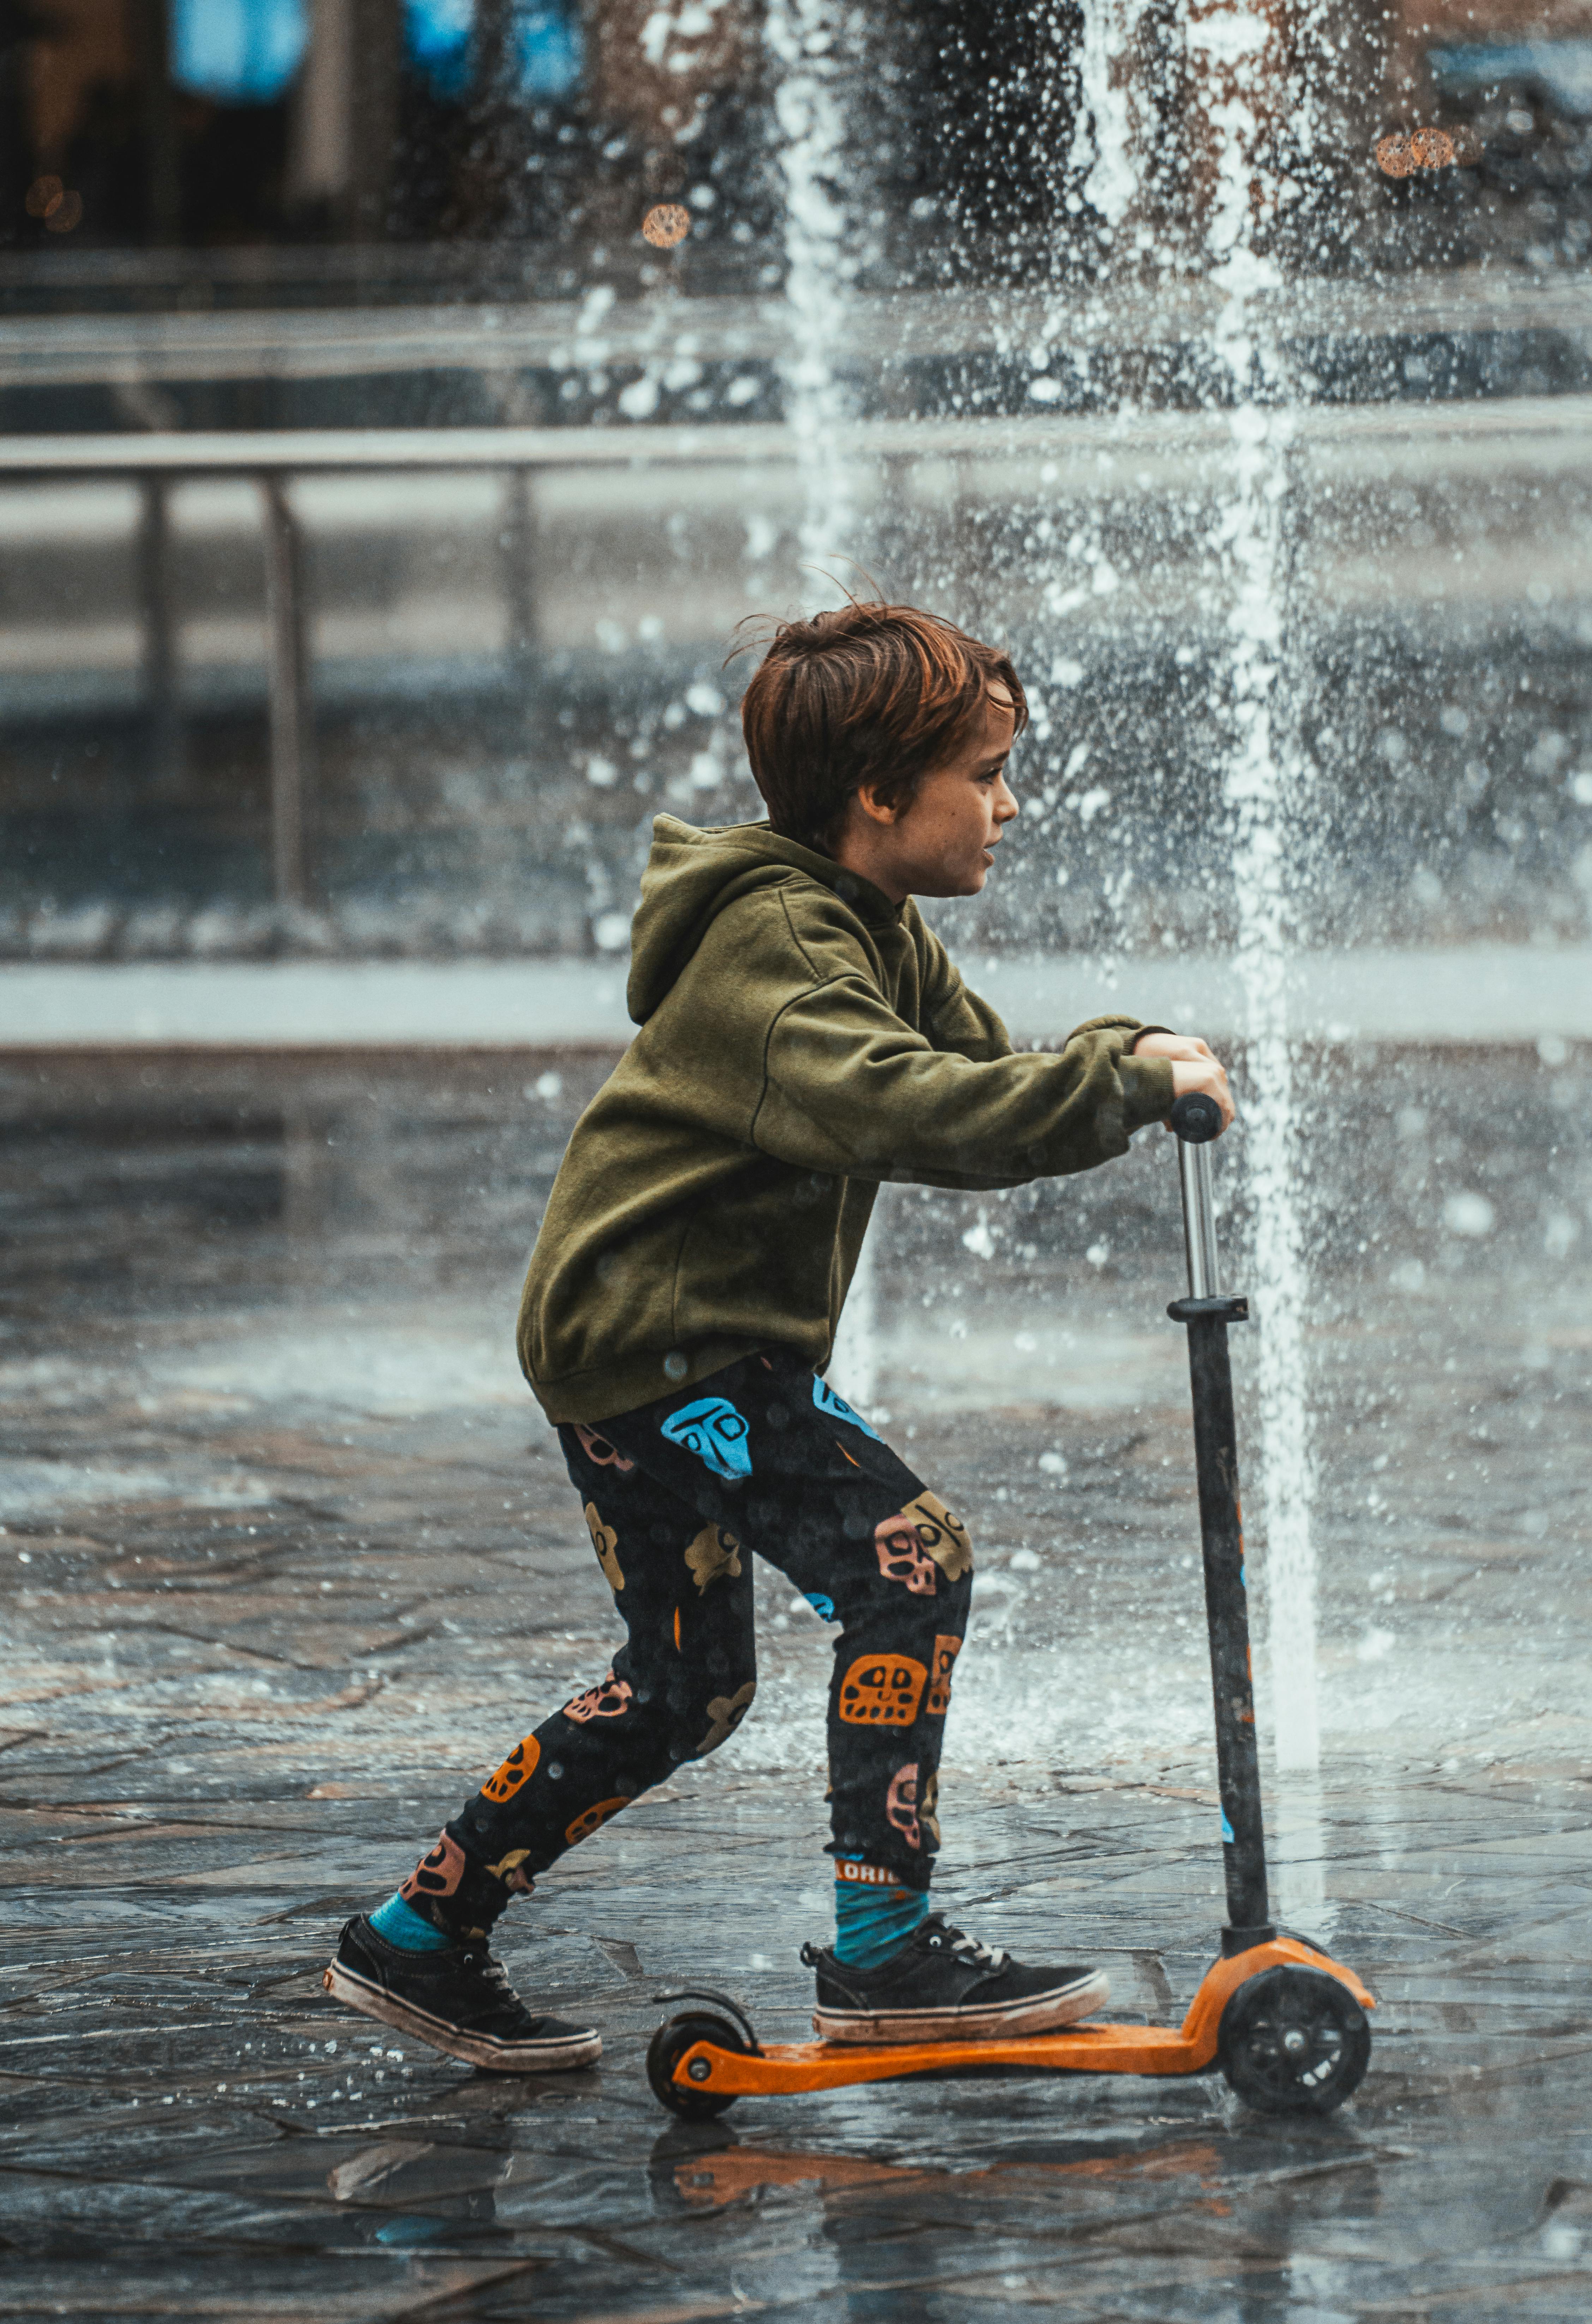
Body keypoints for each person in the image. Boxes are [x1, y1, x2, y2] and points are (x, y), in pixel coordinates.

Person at [322, 601, 1234, 2072]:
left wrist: (1121, 1059)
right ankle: (884, 1954)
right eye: (986, 773)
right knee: (908, 1555)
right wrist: (1120, 1083)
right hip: (663, 1354)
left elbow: (985, 1071)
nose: (1010, 804)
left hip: (659, 1348)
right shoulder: (779, 942)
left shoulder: (873, 923)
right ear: (881, 794)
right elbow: (908, 1105)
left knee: (688, 1681)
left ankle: (416, 1933)